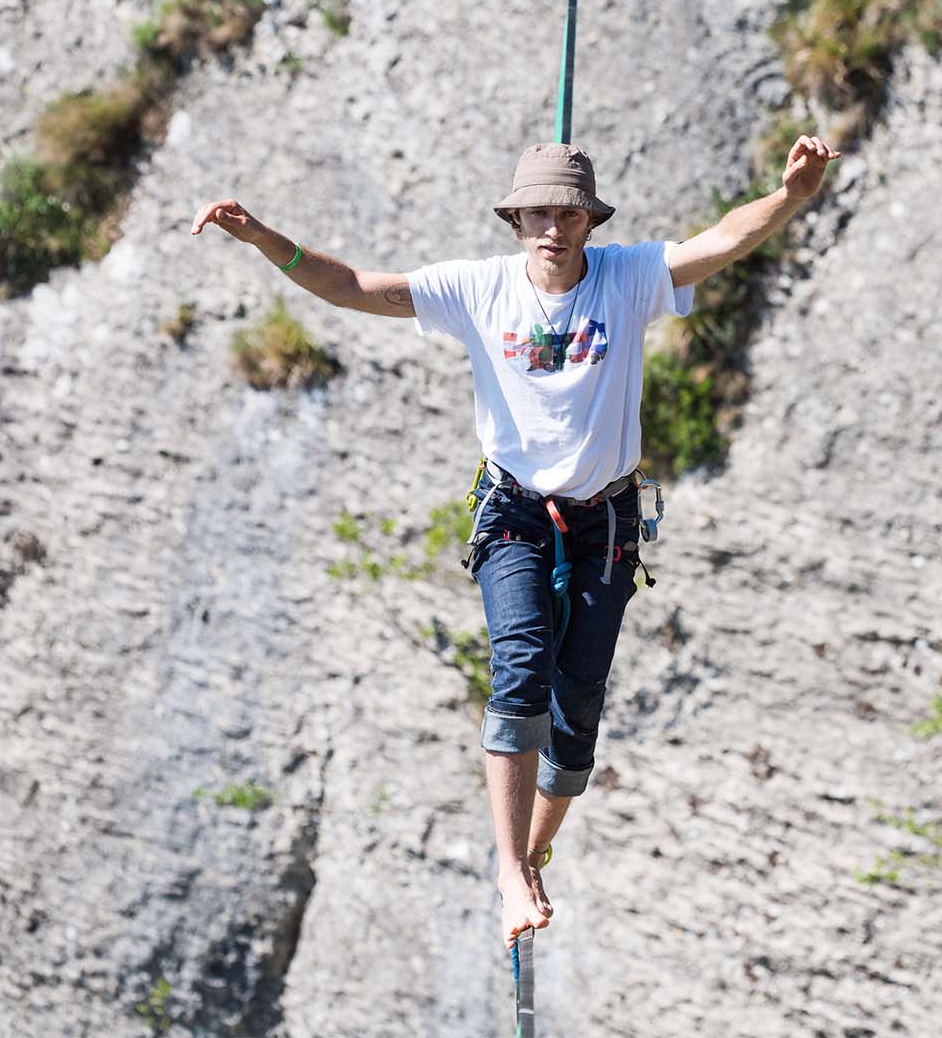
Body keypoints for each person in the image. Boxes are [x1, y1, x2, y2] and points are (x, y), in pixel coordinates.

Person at [191, 136, 841, 946]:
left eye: (568, 214)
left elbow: (722, 240)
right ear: (516, 220)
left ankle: (532, 854)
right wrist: (262, 237)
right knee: (523, 664)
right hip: (515, 511)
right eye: (538, 214)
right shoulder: (479, 289)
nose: (553, 229)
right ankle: (507, 871)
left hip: (607, 517)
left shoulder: (629, 278)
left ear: (589, 220)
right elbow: (353, 286)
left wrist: (791, 196)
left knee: (579, 709)